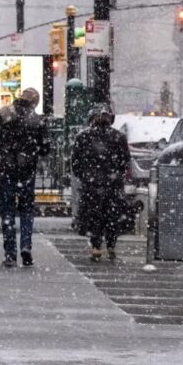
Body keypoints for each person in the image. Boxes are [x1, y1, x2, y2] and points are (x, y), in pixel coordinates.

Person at [0, 87, 49, 268]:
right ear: (34, 102)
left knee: (8, 211)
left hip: (6, 169)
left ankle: (10, 254)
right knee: (27, 210)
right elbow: (45, 148)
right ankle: (26, 246)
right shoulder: (38, 120)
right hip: (27, 171)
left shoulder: (5, 113)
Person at [71, 103, 131, 262]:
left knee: (93, 215)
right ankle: (111, 245)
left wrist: (85, 176)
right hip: (113, 185)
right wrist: (116, 176)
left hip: (92, 184)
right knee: (112, 215)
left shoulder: (83, 137)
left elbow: (76, 163)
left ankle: (96, 246)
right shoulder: (119, 137)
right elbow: (125, 162)